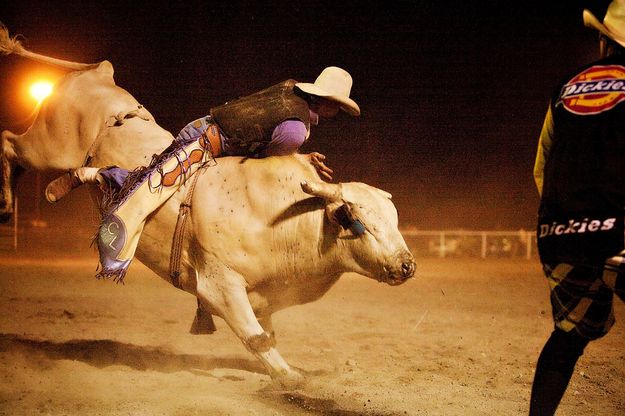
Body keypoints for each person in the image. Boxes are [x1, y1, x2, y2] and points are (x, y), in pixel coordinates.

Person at [86, 66, 360, 282]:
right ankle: (99, 177)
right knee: (154, 187)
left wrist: (299, 156)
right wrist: (297, 155)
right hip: (201, 143)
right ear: (324, 101)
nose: (337, 111)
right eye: (337, 105)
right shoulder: (296, 130)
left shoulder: (289, 90)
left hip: (209, 132)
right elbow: (266, 159)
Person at [530, 1, 625, 414]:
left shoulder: (565, 87)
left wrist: (573, 221)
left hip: (560, 232)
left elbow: (541, 168)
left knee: (567, 335)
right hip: (620, 229)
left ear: (604, 41)